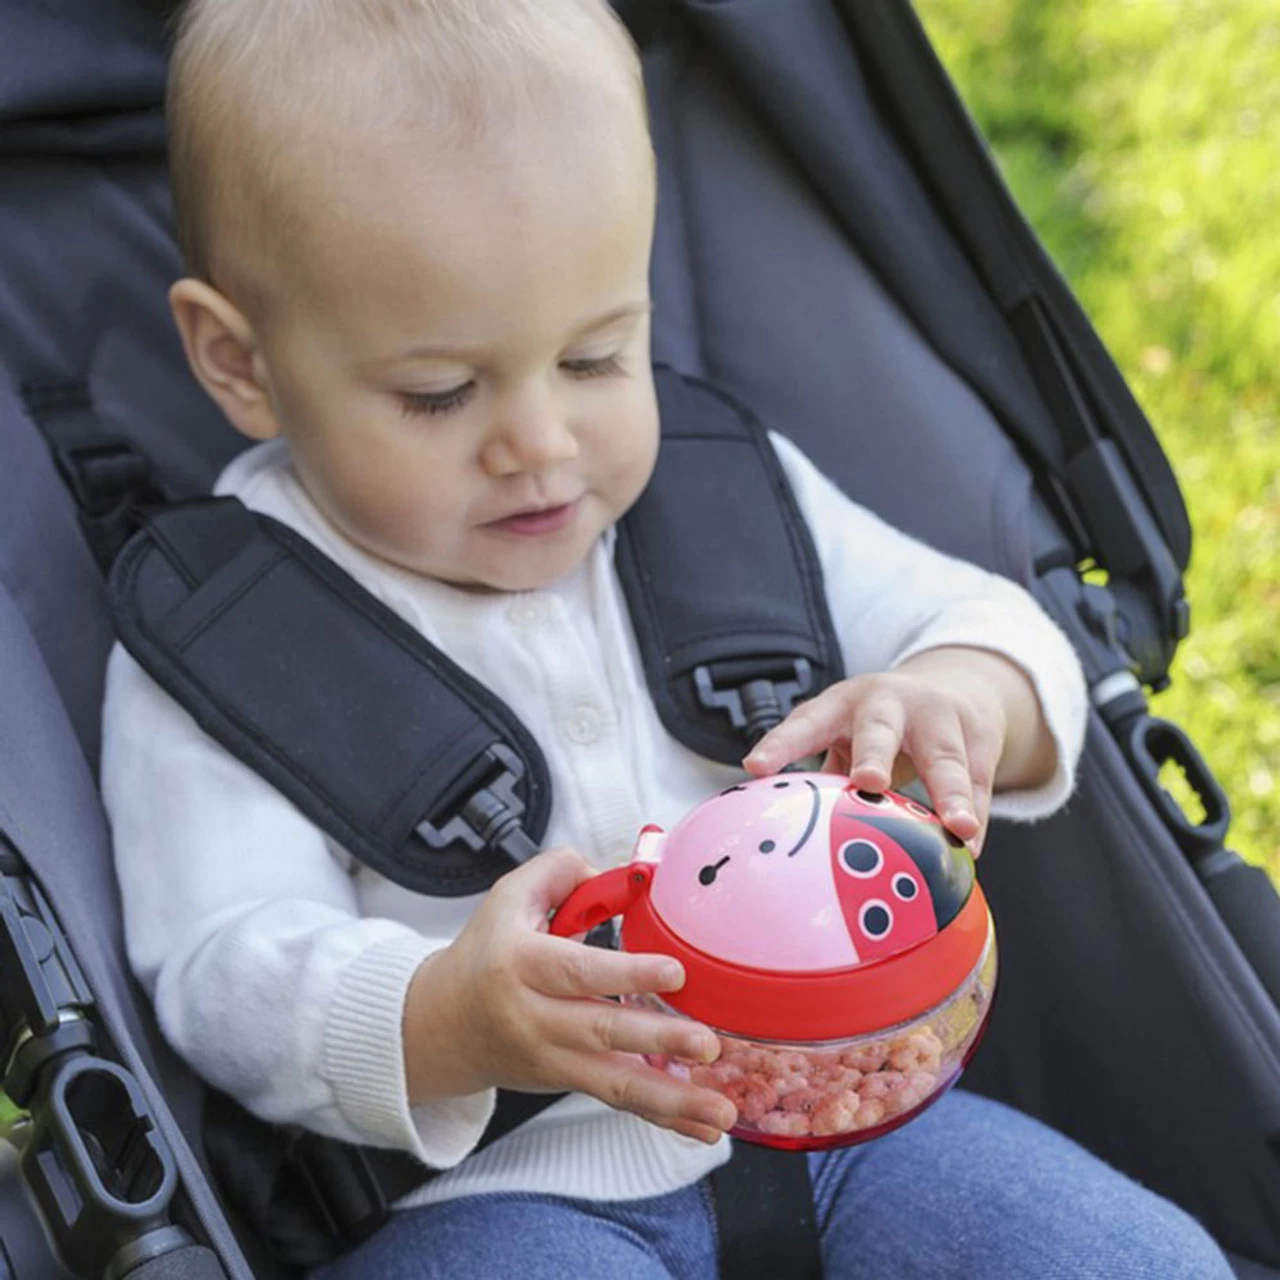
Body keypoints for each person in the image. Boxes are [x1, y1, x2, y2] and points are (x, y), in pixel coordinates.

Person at [101, 1, 1234, 1276]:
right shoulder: (232, 634)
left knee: (1136, 1258)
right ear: (239, 360)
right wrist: (447, 1018)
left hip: (851, 1123)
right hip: (500, 1197)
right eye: (439, 392)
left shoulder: (712, 493)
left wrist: (956, 691)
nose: (539, 441)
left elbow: (980, 619)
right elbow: (225, 964)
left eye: (594, 358)